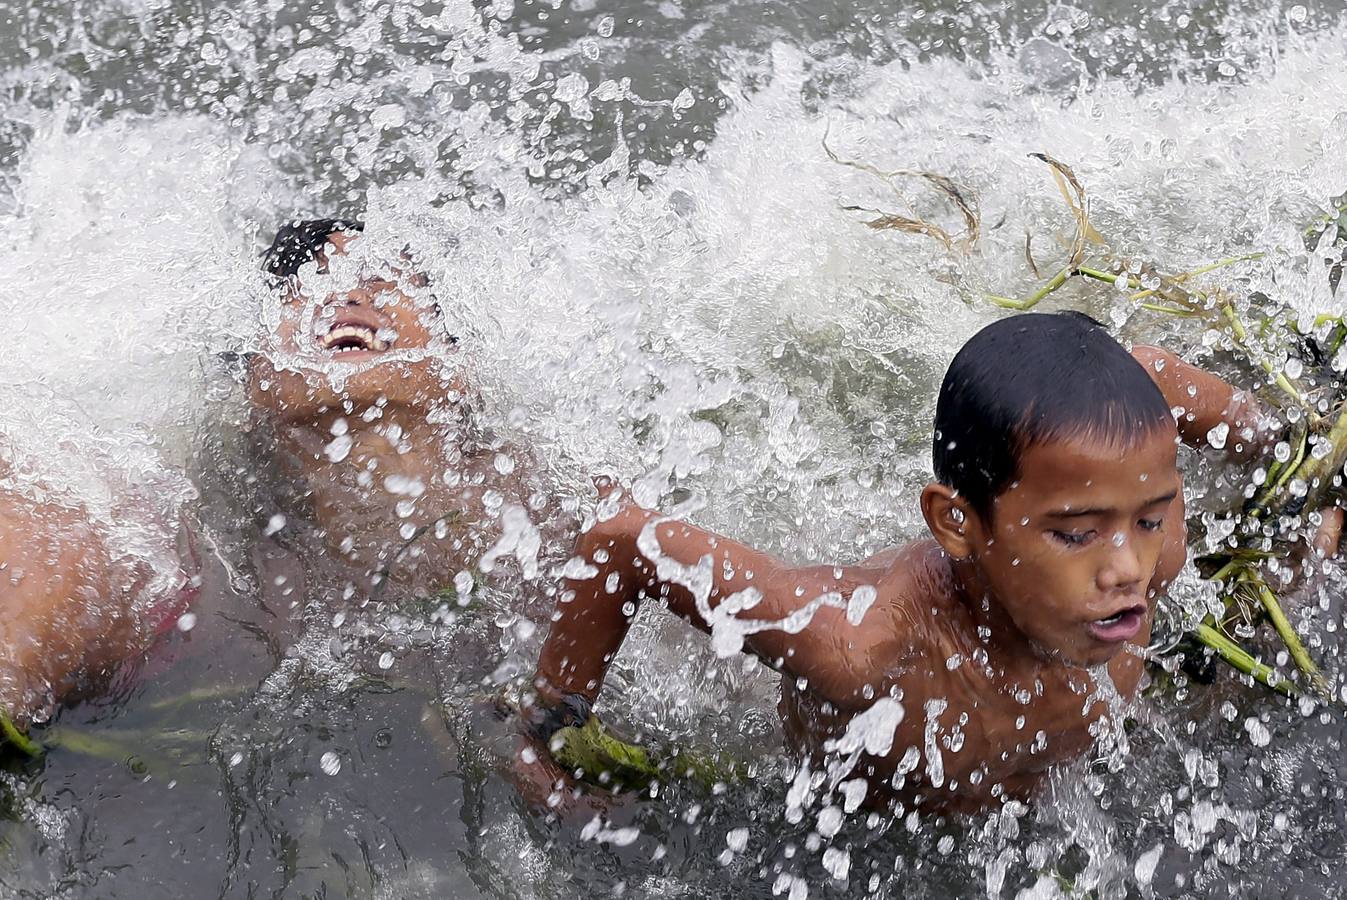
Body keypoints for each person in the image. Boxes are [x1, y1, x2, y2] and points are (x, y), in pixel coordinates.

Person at [521, 312, 1342, 814]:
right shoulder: (858, 650)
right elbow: (622, 539)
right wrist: (546, 730)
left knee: (1296, 587)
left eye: (1152, 518)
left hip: (1030, 762)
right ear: (959, 524)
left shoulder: (1138, 560)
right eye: (1076, 533)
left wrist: (1286, 448)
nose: (1128, 566)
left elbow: (1151, 375)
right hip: (858, 802)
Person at [247, 218, 569, 605]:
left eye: (379, 279)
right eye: (310, 281)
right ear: (257, 381)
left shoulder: (548, 501)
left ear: (459, 370)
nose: (344, 295)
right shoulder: (229, 556)